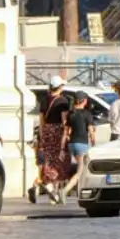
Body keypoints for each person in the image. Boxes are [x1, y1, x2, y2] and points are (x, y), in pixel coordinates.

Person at [34, 75, 71, 203]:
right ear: (60, 87)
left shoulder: (44, 100)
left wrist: (42, 136)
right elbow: (64, 120)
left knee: (49, 159)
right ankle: (53, 188)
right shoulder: (62, 101)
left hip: (47, 131)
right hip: (58, 132)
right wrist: (67, 133)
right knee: (60, 160)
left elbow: (41, 120)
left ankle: (51, 188)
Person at [59, 93, 95, 204]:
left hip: (72, 144)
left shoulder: (71, 114)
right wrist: (93, 144)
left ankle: (79, 191)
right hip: (82, 144)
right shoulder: (87, 114)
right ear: (84, 101)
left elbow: (65, 133)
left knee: (82, 169)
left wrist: (62, 149)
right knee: (80, 171)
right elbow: (91, 132)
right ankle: (64, 191)